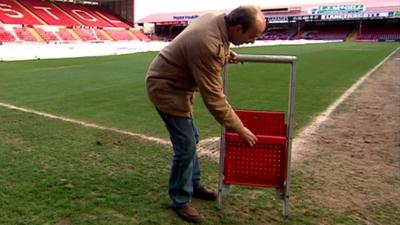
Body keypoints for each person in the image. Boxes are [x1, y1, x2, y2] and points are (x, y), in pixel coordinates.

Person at [145, 5, 266, 223]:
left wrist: (227, 52)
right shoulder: (207, 43)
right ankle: (180, 200)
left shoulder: (220, 20)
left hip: (178, 86)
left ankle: (193, 183)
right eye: (251, 36)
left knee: (192, 139)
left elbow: (218, 44)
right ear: (238, 27)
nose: (253, 41)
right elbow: (215, 99)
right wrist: (240, 128)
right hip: (166, 89)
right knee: (186, 145)